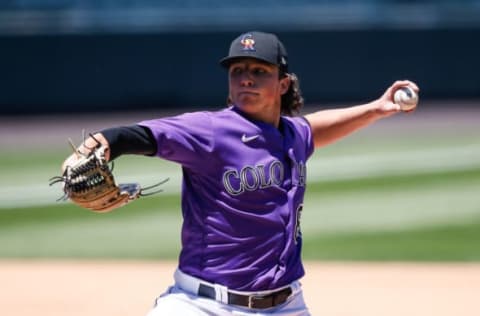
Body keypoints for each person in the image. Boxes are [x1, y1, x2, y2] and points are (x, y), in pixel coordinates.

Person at [62, 31, 419, 315]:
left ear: (283, 84)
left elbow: (314, 129)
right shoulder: (211, 131)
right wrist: (98, 144)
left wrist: (376, 108)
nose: (246, 79)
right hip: (203, 305)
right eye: (238, 72)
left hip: (287, 305)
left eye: (259, 71)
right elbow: (143, 135)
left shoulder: (292, 134)